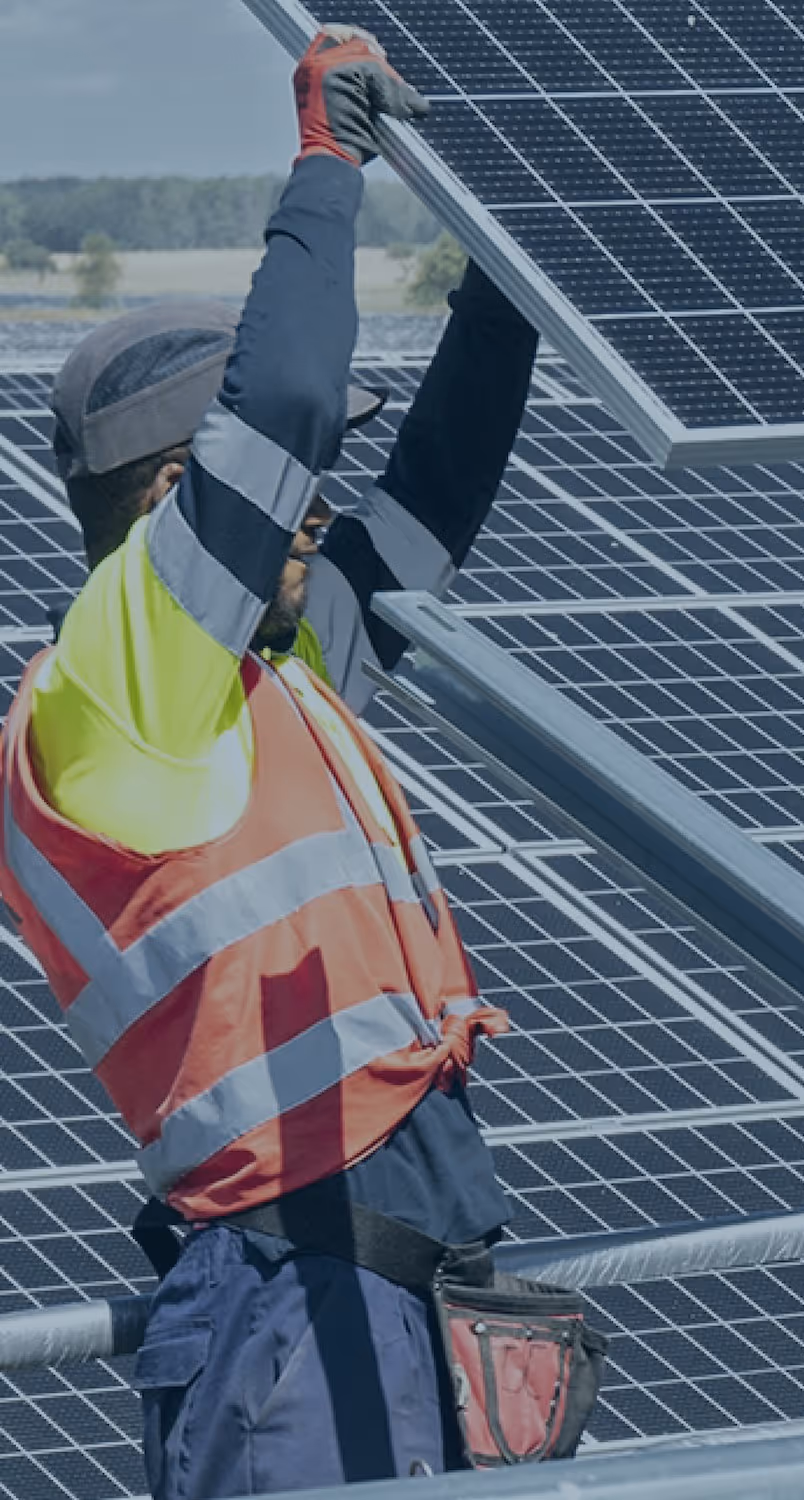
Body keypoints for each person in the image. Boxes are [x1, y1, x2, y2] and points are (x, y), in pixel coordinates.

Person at [0, 28, 543, 1497]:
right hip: (298, 1304)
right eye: (291, 498)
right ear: (176, 497)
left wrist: (522, 224)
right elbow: (289, 402)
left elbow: (434, 480)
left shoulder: (273, 671)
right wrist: (325, 168)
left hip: (416, 1282)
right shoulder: (121, 682)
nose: (319, 514)